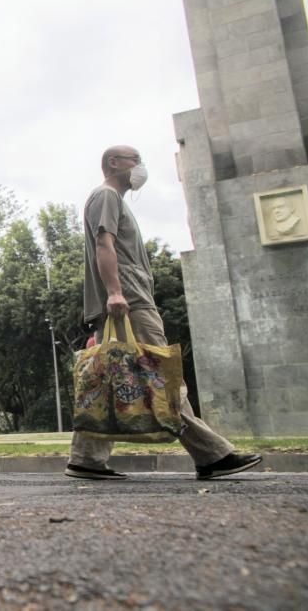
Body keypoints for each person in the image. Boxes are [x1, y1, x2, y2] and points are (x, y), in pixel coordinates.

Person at [67, 145, 262, 482]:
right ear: (114, 163)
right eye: (135, 160)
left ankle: (86, 459)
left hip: (124, 303)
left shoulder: (111, 200)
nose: (140, 167)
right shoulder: (106, 196)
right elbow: (104, 245)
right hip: (129, 303)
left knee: (107, 381)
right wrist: (115, 292)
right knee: (162, 375)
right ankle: (211, 454)